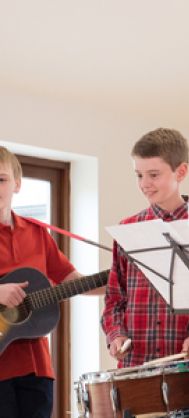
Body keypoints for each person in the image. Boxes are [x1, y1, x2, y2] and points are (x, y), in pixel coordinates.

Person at [101, 128, 189, 369]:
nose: (144, 184)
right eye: (138, 175)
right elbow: (115, 299)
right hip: (135, 368)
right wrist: (115, 334)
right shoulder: (126, 229)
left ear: (181, 172)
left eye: (154, 175)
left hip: (186, 372)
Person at [0, 146, 99, 418]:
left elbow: (72, 279)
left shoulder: (37, 233)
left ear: (17, 184)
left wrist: (120, 282)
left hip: (37, 368)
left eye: (1, 179)